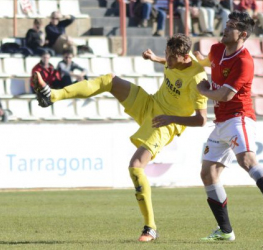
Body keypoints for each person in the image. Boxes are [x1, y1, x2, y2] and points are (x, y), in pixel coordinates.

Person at [32, 33, 208, 242]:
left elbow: (201, 120)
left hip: (164, 124)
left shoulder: (198, 79)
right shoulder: (173, 60)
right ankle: (51, 95)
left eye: (171, 57)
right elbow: (170, 64)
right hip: (149, 103)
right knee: (110, 80)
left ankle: (150, 227)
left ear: (185, 56)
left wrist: (170, 119)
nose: (167, 61)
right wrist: (156, 59)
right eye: (166, 54)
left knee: (135, 166)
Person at [194, 11, 263, 241]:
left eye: (231, 27)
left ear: (242, 34)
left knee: (246, 160)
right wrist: (177, 57)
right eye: (226, 24)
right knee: (208, 173)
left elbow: (226, 95)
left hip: (239, 117)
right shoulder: (217, 49)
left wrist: (204, 91)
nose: (225, 29)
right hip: (220, 123)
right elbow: (203, 60)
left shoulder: (245, 61)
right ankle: (225, 231)